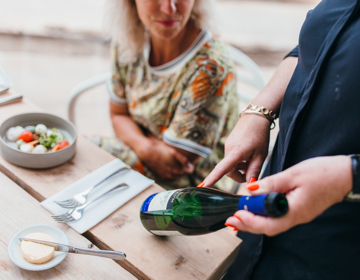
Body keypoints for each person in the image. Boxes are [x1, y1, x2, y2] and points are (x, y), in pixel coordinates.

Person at [202, 0, 360, 279]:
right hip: (261, 228)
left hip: (336, 253)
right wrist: (258, 111)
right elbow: (310, 47)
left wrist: (349, 176)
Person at [95, 0, 238, 190]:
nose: (168, 8)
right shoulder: (127, 41)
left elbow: (174, 164)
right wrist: (147, 147)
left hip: (196, 186)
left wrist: (134, 136)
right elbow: (118, 114)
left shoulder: (210, 66)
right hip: (139, 155)